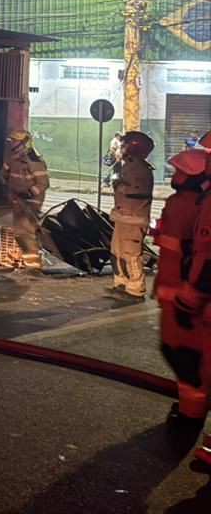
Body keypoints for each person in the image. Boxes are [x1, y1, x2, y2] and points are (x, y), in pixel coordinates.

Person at [156, 146, 211, 442]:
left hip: (182, 299)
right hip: (183, 297)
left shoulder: (185, 205)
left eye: (180, 171)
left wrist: (189, 298)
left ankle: (189, 420)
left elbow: (202, 257)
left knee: (185, 360)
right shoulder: (196, 202)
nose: (175, 175)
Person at [109, 130, 155, 298]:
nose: (121, 147)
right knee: (117, 251)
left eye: (125, 144)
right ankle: (121, 283)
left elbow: (136, 191)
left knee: (131, 254)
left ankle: (135, 289)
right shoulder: (129, 164)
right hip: (123, 216)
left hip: (133, 219)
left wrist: (118, 185)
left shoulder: (140, 168)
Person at [0, 129, 50, 271]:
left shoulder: (34, 162)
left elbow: (43, 183)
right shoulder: (13, 158)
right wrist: (2, 181)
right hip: (17, 202)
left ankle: (34, 267)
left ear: (23, 143)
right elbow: (4, 173)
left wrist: (29, 193)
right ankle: (32, 262)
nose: (12, 143)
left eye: (14, 140)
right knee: (21, 233)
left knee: (24, 234)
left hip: (29, 203)